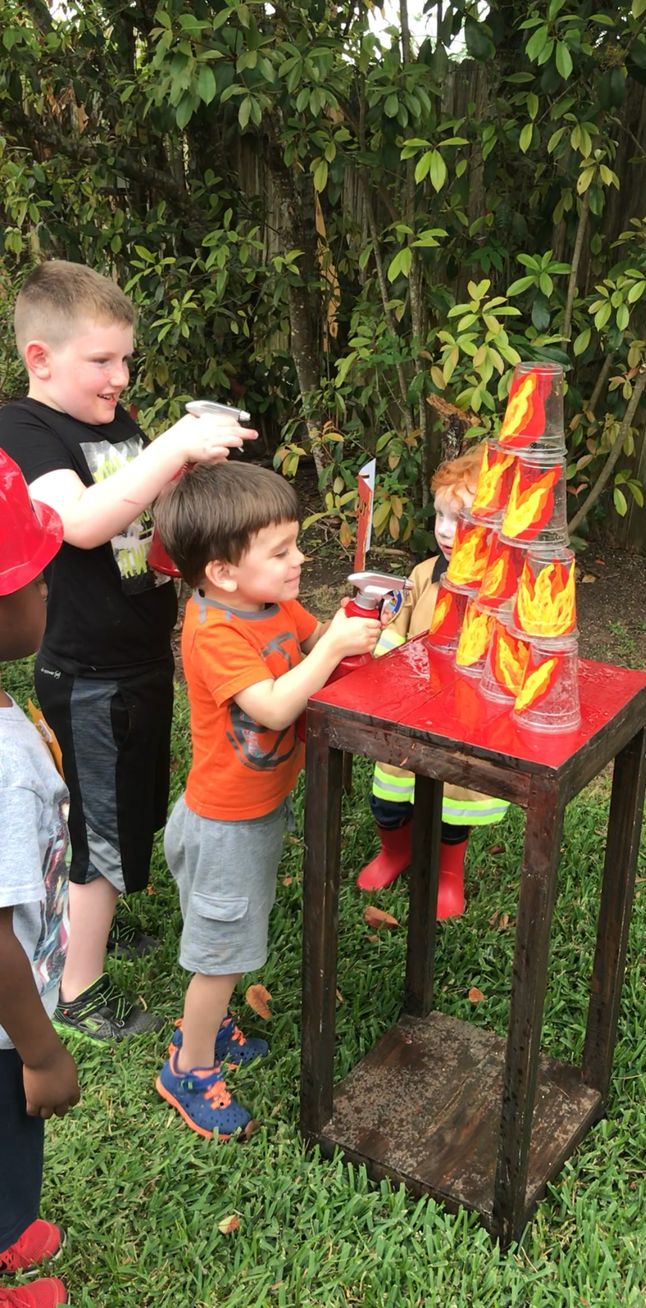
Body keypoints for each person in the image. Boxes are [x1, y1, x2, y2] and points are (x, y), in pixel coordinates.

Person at [0, 260, 252, 1042]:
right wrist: (175, 443)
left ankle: (88, 929)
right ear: (41, 358)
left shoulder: (116, 423)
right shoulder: (25, 428)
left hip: (140, 653)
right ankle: (78, 989)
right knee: (99, 830)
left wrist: (192, 472)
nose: (119, 377)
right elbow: (81, 522)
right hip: (86, 666)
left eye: (125, 360)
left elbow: (145, 511)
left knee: (127, 809)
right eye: (101, 361)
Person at [151, 460, 381, 1140]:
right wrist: (332, 645)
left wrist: (354, 633)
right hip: (223, 823)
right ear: (222, 571)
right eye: (280, 551)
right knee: (219, 956)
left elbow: (314, 647)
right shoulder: (215, 630)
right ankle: (188, 1067)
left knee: (223, 943)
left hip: (247, 812)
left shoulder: (269, 603)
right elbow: (277, 707)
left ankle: (212, 1029)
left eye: (295, 545)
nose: (299, 559)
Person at [356, 447, 509, 918]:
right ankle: (395, 851)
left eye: (461, 520)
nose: (445, 530)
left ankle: (448, 874)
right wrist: (381, 648)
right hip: (408, 713)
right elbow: (396, 628)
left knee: (451, 809)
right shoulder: (424, 574)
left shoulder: (500, 588)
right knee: (389, 795)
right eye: (441, 514)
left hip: (463, 718)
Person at [0, 451, 80, 1308]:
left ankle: (7, 1223)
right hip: (4, 1022)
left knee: (10, 1140)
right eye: (33, 578)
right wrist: (42, 1049)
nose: (47, 592)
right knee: (10, 1117)